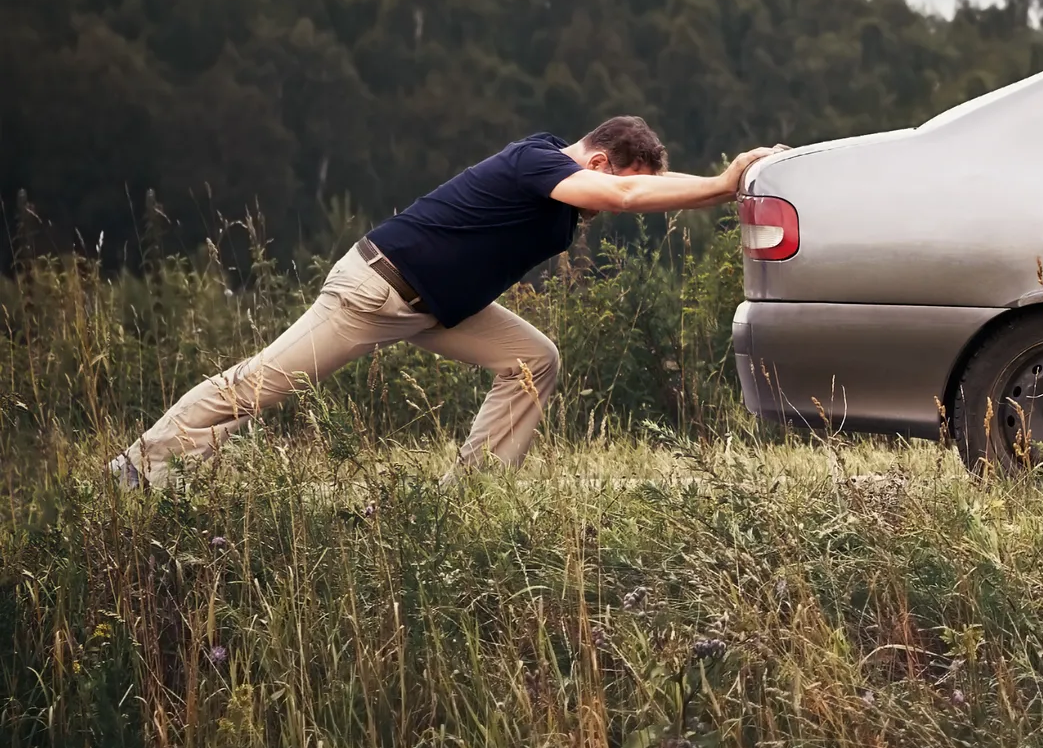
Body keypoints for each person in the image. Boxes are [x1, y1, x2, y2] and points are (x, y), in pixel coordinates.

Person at [109, 116, 785, 490]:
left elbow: (633, 192)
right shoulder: (540, 161)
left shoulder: (570, 180)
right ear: (602, 161)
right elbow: (620, 197)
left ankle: (472, 493)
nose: (612, 208)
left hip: (435, 308)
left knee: (532, 359)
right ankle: (138, 469)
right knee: (257, 387)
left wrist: (732, 184)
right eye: (625, 184)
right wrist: (723, 183)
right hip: (373, 290)